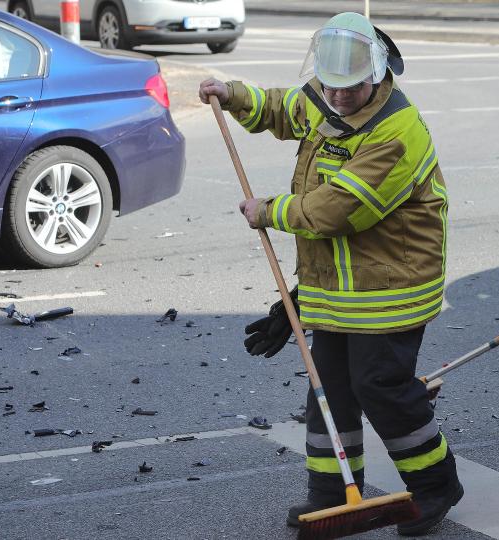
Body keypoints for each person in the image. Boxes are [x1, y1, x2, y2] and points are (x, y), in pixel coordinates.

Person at [198, 12, 462, 535]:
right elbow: (285, 107)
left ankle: (436, 486)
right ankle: (332, 495)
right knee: (328, 392)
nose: (337, 97)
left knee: (381, 388)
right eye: (332, 86)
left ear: (378, 75)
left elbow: (336, 211)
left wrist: (268, 211)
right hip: (339, 289)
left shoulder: (395, 133)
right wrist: (234, 94)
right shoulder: (329, 96)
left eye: (351, 88)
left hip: (392, 288)